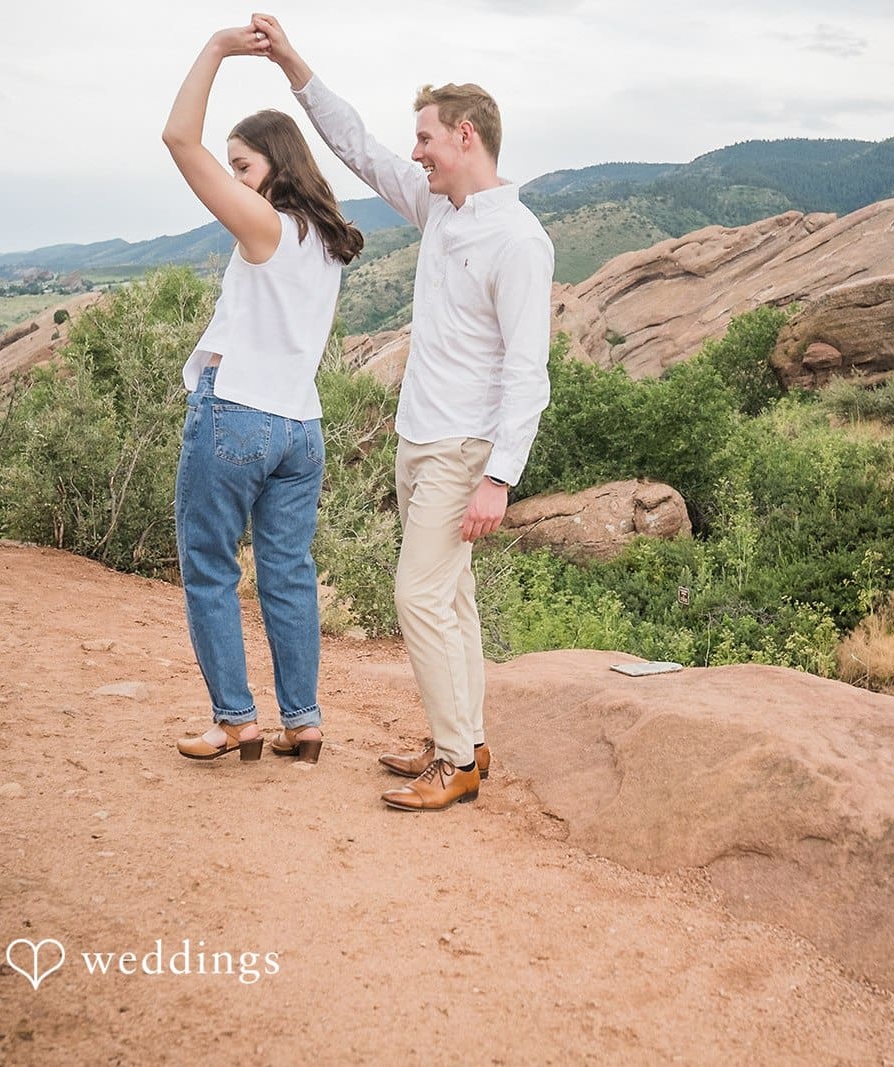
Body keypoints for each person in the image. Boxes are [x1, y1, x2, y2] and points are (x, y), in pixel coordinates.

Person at [252, 14, 554, 811]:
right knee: (450, 598)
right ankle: (467, 741)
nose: (414, 151)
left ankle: (453, 763)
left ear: (464, 136)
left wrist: (500, 476)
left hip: (464, 448)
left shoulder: (519, 241)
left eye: (425, 138)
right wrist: (292, 64)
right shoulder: (440, 209)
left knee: (417, 595)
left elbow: (529, 372)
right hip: (419, 437)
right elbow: (358, 147)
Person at [164, 24, 363, 766]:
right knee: (287, 573)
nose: (235, 177)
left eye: (242, 165)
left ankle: (235, 720)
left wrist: (216, 49)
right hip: (300, 429)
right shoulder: (327, 240)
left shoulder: (265, 225)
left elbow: (179, 140)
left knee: (209, 565)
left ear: (273, 167)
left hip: (238, 411)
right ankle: (303, 723)